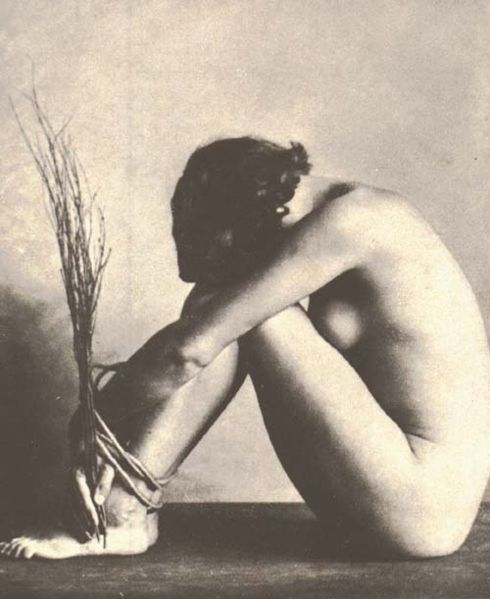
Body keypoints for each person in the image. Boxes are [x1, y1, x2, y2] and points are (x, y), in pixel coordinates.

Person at [1, 137, 489, 560]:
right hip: (384, 497)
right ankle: (125, 506)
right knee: (222, 305)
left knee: (228, 310)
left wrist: (92, 424)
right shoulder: (334, 216)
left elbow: (187, 352)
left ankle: (124, 512)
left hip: (420, 508)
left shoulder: (357, 220)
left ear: (260, 212)